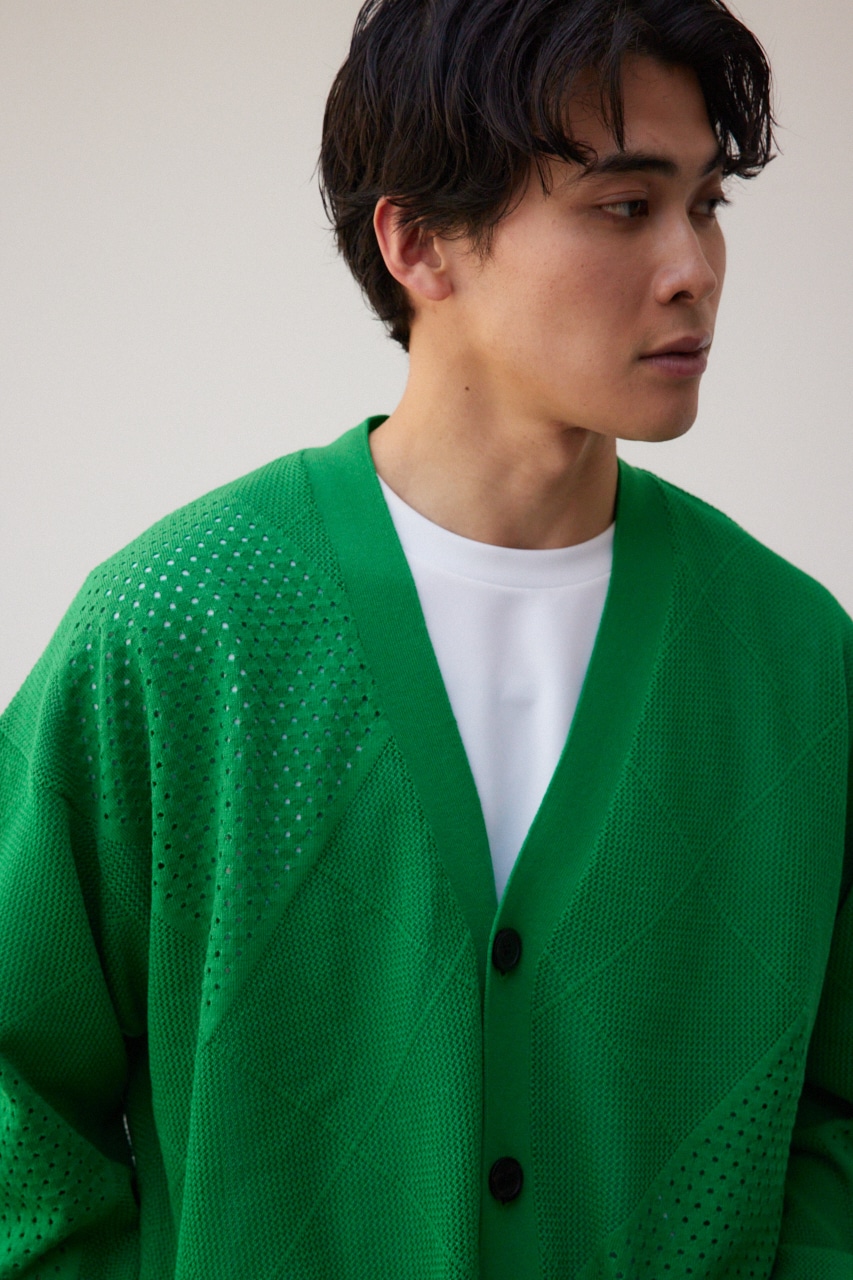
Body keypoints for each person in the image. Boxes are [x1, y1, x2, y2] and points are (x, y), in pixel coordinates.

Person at [1, 0, 850, 1275]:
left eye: (706, 204)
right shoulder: (179, 628)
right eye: (626, 206)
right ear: (418, 242)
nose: (693, 268)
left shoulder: (795, 661)